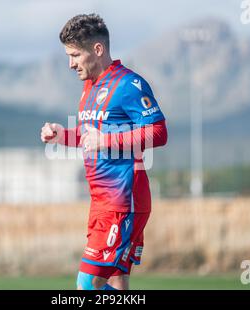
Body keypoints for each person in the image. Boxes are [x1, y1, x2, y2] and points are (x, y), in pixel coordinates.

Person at [40, 13, 168, 290]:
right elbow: (91, 138)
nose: (70, 64)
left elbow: (159, 133)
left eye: (74, 55)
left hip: (123, 202)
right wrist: (61, 135)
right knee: (117, 281)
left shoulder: (128, 85)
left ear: (97, 50)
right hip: (101, 203)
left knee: (87, 286)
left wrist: (107, 140)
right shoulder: (89, 89)